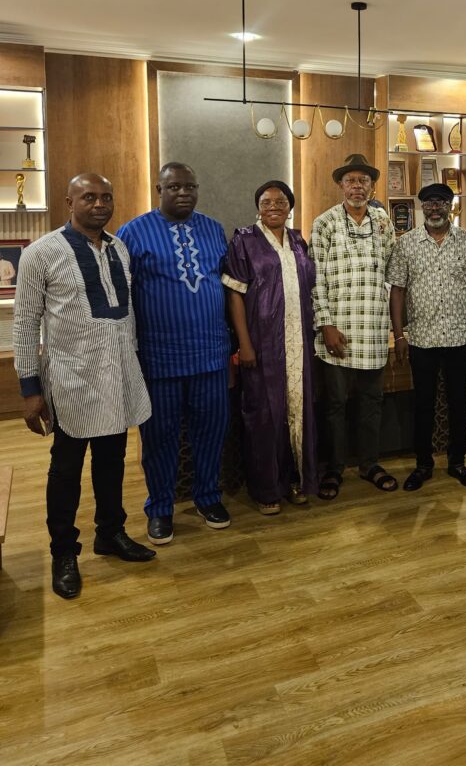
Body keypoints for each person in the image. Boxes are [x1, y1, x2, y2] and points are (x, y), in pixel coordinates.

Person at [13, 173, 155, 600]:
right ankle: (63, 552)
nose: (99, 204)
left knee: (112, 461)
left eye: (106, 197)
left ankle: (110, 533)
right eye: (88, 197)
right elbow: (25, 323)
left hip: (118, 374)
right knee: (66, 470)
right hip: (71, 378)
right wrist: (30, 389)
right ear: (69, 201)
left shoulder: (120, 248)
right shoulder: (41, 253)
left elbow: (127, 315)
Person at [117, 162, 232, 545]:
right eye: (174, 187)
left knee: (211, 432)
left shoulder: (213, 229)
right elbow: (123, 296)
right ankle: (160, 507)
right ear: (159, 190)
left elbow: (228, 286)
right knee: (160, 437)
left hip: (211, 356)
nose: (183, 193)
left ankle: (208, 497)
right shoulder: (133, 232)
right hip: (159, 359)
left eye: (189, 186)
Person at [223, 181, 319, 514]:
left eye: (281, 201)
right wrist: (244, 344)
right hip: (262, 344)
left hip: (298, 343)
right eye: (266, 202)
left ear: (290, 206)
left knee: (297, 413)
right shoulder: (244, 241)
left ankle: (294, 480)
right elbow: (234, 294)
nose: (274, 206)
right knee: (264, 416)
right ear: (258, 207)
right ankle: (266, 489)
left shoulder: (298, 241)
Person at [388, 182, 466, 491]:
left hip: (459, 337)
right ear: (422, 208)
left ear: (450, 207)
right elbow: (397, 292)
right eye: (429, 203)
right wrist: (399, 336)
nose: (435, 208)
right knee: (423, 404)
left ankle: (458, 463)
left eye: (441, 202)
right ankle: (423, 465)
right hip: (422, 339)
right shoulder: (406, 243)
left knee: (459, 403)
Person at [309, 154, 397, 499]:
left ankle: (369, 464)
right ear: (340, 185)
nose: (357, 186)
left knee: (371, 402)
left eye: (363, 180)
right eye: (350, 180)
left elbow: (391, 270)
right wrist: (326, 324)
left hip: (373, 329)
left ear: (371, 186)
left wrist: (392, 324)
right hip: (337, 332)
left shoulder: (382, 221)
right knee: (335, 405)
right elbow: (316, 278)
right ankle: (334, 469)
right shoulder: (325, 223)